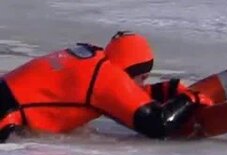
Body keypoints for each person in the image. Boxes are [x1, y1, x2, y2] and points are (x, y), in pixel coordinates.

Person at [0, 31, 199, 141]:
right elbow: (158, 125)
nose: (142, 85)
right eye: (143, 79)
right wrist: (191, 99)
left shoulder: (91, 56)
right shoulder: (107, 78)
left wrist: (165, 90)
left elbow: (119, 97)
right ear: (138, 73)